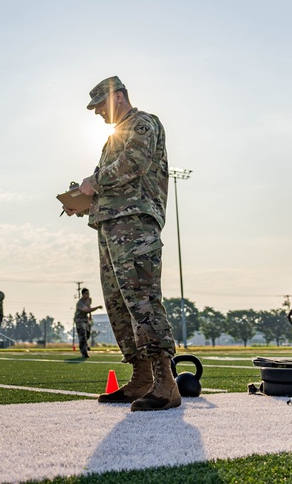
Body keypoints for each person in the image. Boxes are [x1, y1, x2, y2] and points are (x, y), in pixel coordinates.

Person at [65, 76, 179, 411]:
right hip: (112, 226)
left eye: (101, 104)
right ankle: (142, 377)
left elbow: (135, 164)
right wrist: (82, 202)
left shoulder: (142, 123)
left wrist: (93, 182)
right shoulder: (115, 135)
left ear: (119, 96)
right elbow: (115, 181)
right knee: (119, 305)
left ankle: (166, 383)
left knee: (142, 300)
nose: (98, 112)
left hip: (135, 226)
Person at [74, 288, 103, 358]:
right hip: (79, 320)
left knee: (88, 334)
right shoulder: (79, 303)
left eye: (88, 293)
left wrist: (90, 316)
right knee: (82, 336)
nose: (88, 295)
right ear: (83, 294)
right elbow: (86, 310)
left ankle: (85, 345)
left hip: (85, 319)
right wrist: (98, 307)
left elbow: (89, 307)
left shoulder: (89, 300)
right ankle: (84, 352)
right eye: (86, 294)